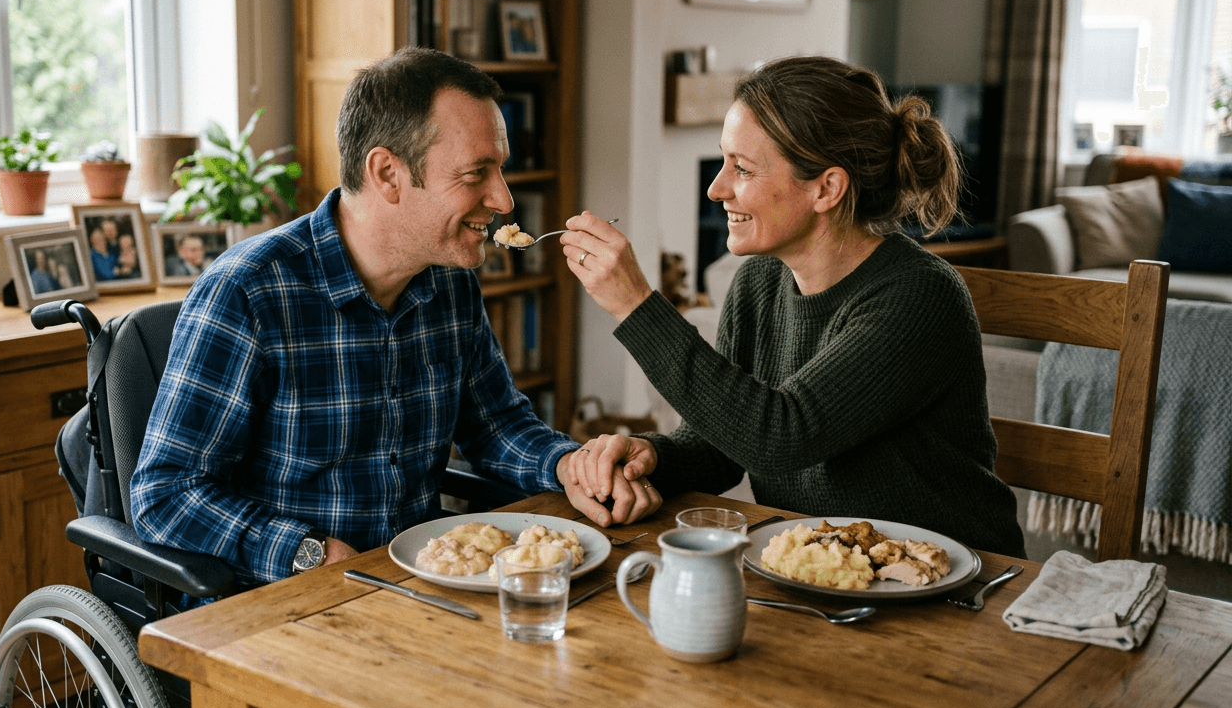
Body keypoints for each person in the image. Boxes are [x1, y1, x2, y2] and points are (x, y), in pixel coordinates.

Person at [131, 47, 655, 588]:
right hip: (284, 603)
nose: (503, 199)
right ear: (387, 173)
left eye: (500, 170)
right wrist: (309, 553)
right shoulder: (248, 292)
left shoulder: (450, 281)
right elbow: (165, 494)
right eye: (477, 173)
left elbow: (497, 426)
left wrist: (570, 466)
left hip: (419, 587)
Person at [562, 55, 1026, 558]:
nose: (717, 188)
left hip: (956, 577)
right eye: (722, 161)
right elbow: (724, 446)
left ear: (826, 188)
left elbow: (781, 437)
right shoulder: (759, 282)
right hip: (829, 571)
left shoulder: (918, 297)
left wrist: (636, 306)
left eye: (742, 168)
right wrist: (651, 456)